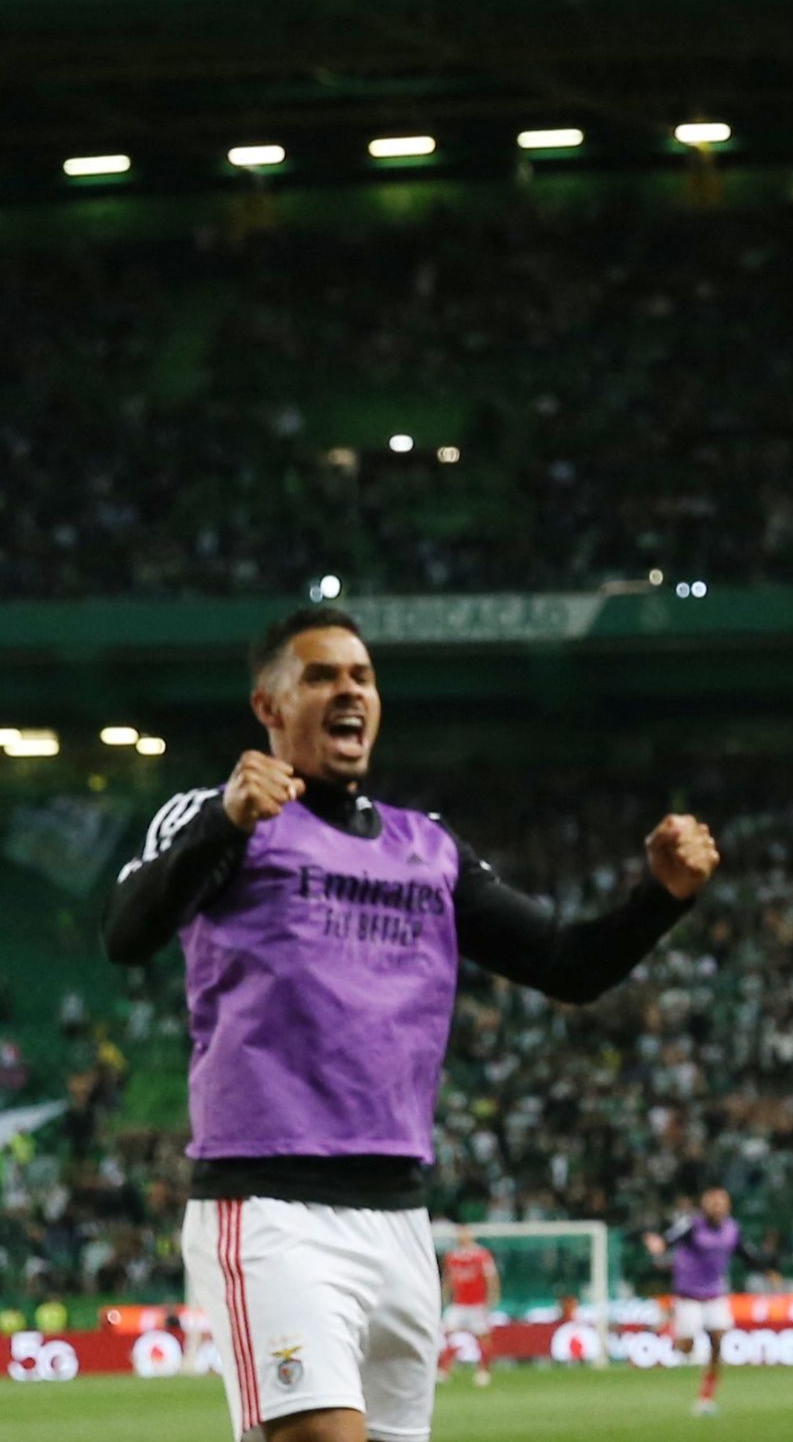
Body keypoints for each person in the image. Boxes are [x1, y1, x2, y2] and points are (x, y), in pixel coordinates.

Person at [105, 607, 720, 1442]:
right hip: (272, 1204)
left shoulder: (426, 848)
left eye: (361, 676)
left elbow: (570, 966)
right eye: (321, 676)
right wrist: (225, 817)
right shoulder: (216, 819)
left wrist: (662, 898)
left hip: (399, 1217)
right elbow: (127, 934)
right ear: (268, 707)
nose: (349, 690)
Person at [644, 1187, 745, 1418]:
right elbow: (670, 1239)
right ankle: (670, 1322)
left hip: (715, 1295)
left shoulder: (732, 1229)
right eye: (712, 1203)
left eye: (720, 1203)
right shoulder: (692, 1225)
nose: (716, 1207)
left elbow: (745, 1251)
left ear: (727, 1206)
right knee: (686, 1347)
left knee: (718, 1340)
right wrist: (659, 1245)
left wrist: (768, 1269)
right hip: (688, 1295)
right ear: (704, 1206)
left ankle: (706, 1397)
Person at [438, 1227, 498, 1388]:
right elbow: (449, 1278)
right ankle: (444, 1370)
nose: (462, 1237)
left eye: (465, 1234)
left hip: (477, 1304)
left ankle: (484, 1371)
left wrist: (491, 1297)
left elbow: (491, 1277)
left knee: (483, 1337)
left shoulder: (481, 1255)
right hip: (458, 1304)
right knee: (446, 1335)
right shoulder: (452, 1256)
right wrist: (445, 1295)